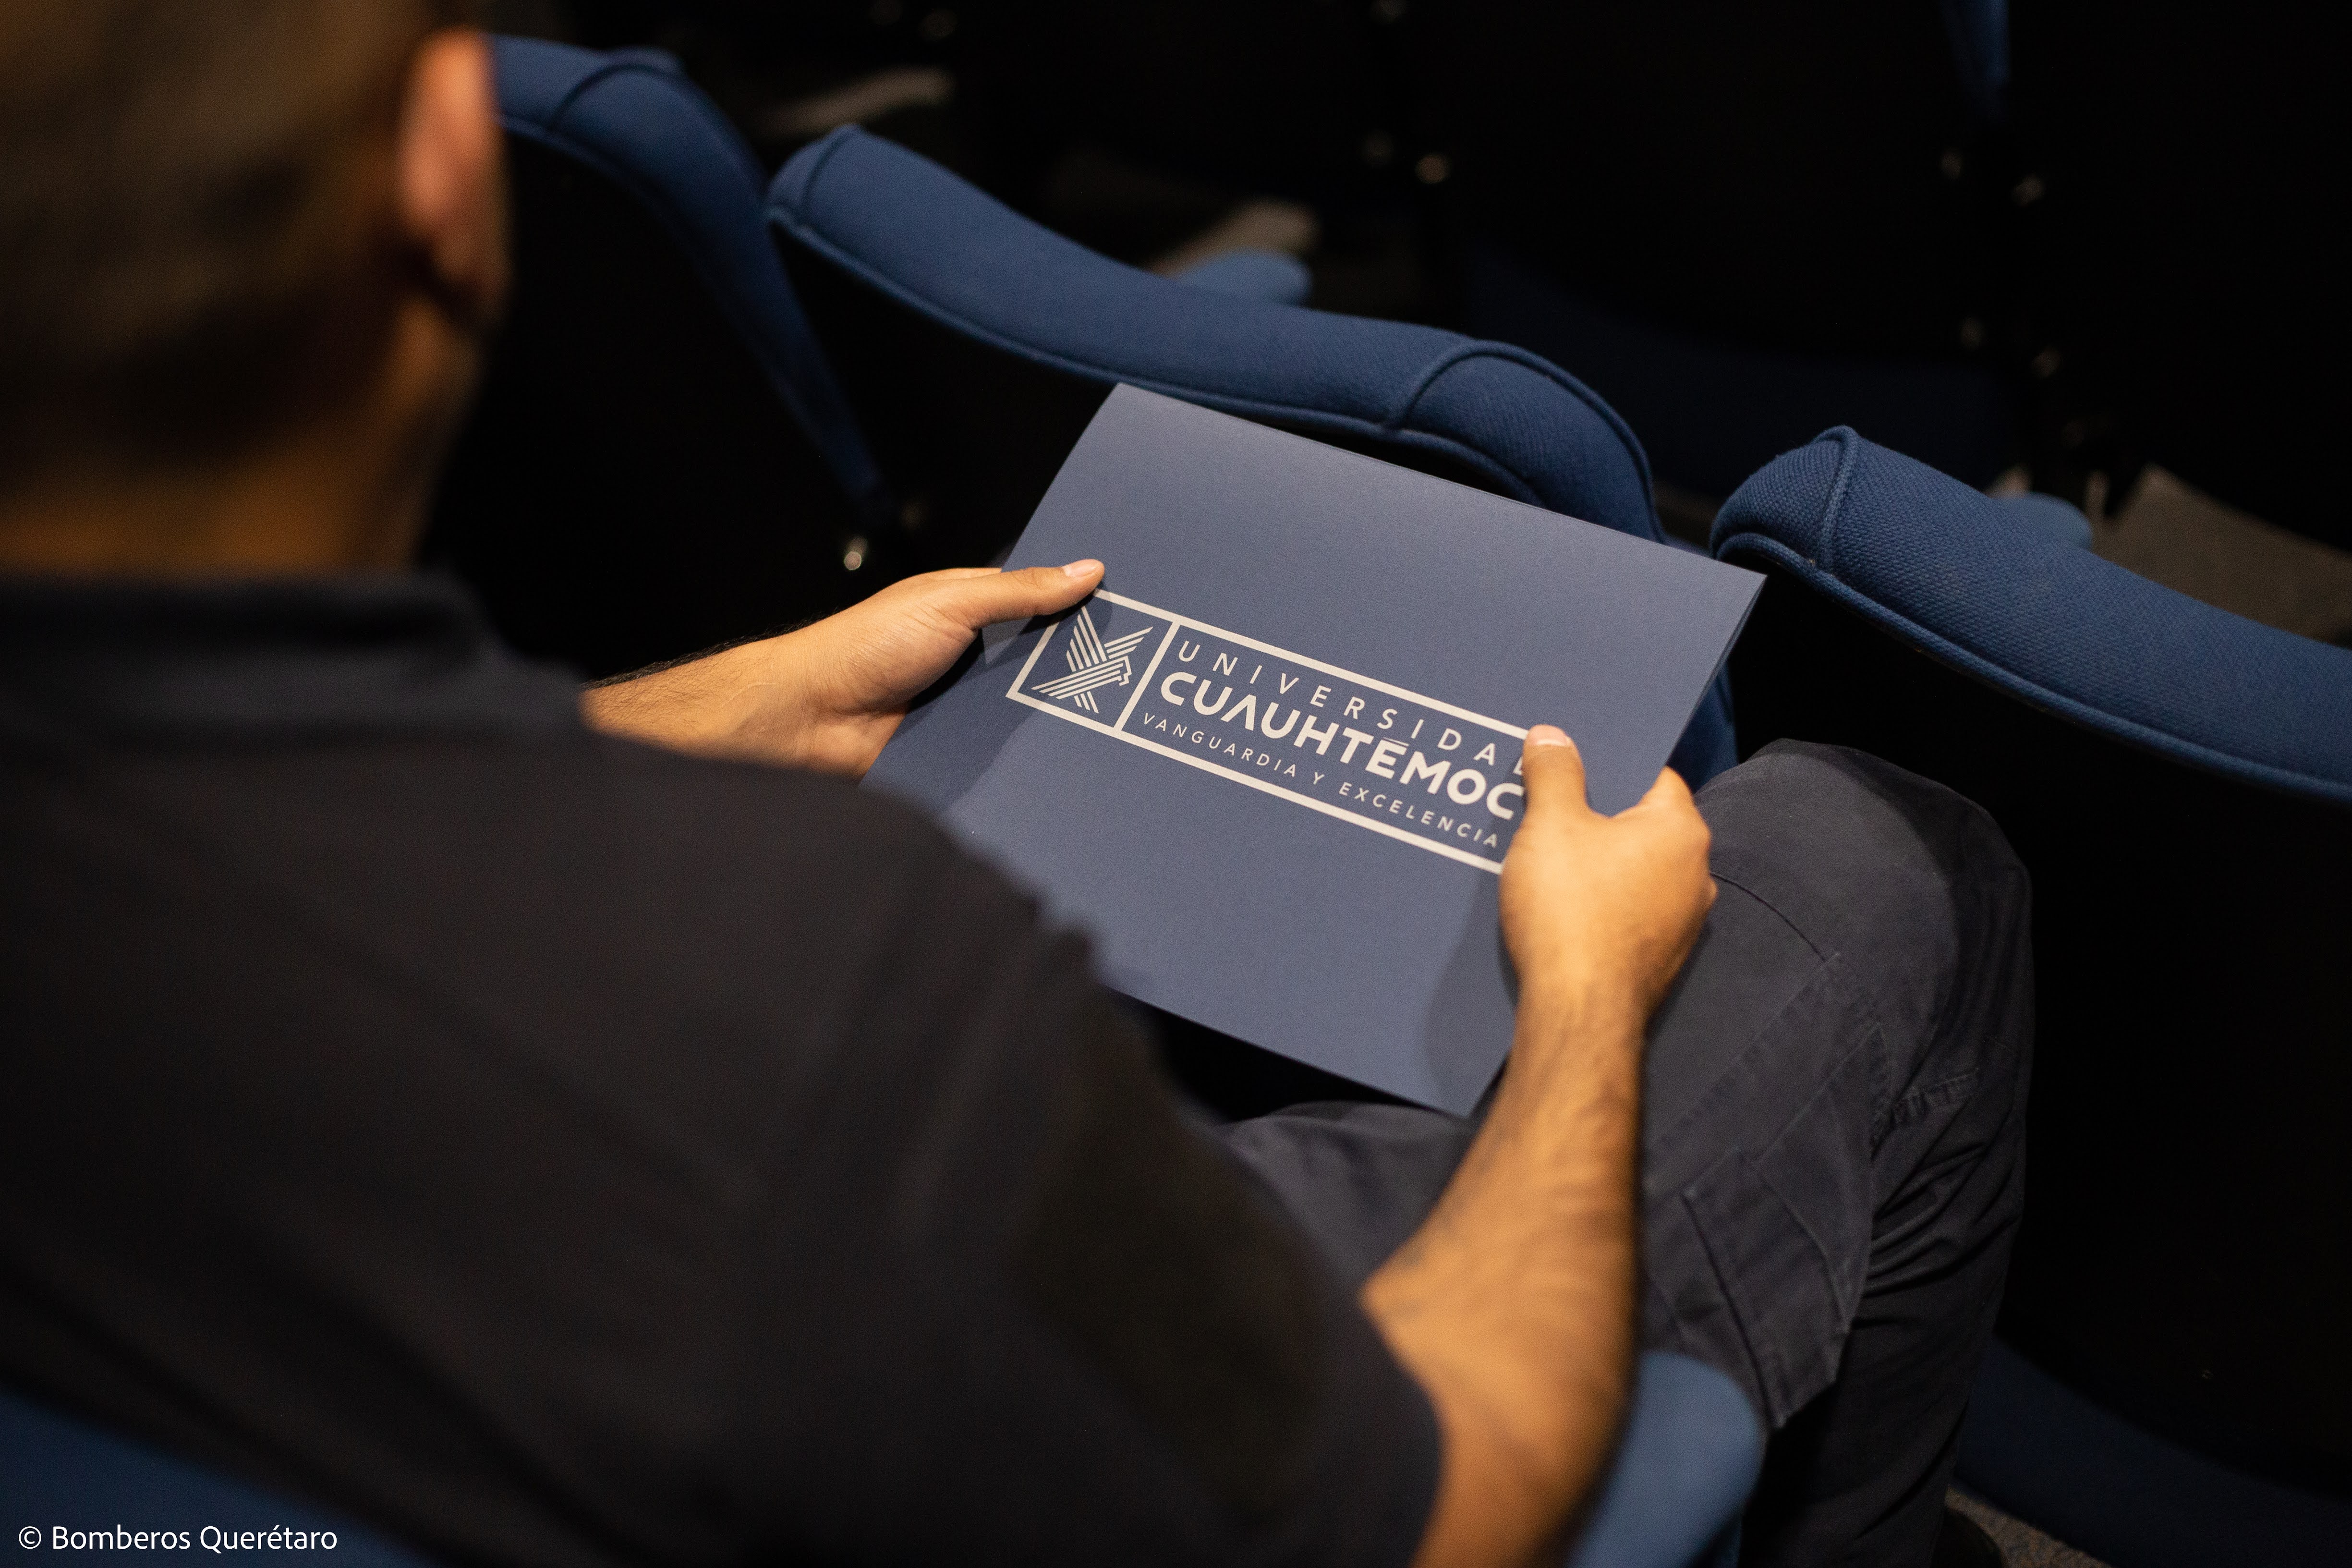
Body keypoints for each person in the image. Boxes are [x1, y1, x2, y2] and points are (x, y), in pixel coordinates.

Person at [0, 5, 2029, 1566]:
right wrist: (1588, 998)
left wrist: (690, 711)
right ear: (449, 167)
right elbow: (1430, 1503)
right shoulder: (821, 986)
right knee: (1880, 864)